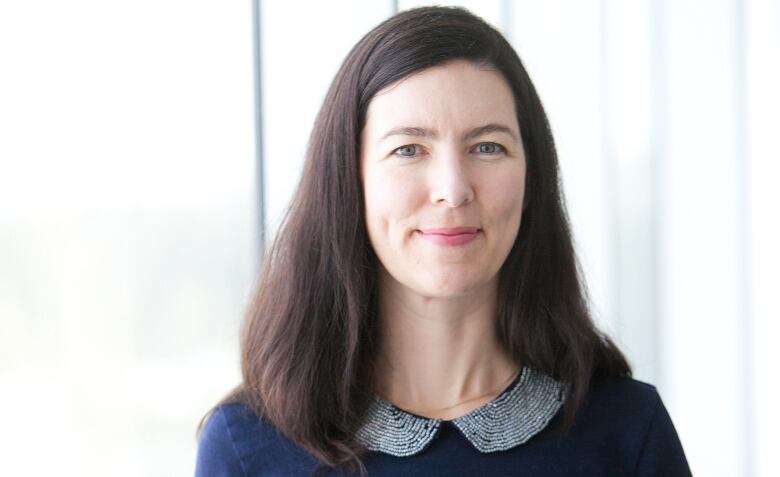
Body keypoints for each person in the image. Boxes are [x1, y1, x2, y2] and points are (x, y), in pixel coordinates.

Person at [195, 6, 691, 477]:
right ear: (348, 181)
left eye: (488, 147)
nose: (453, 189)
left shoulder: (627, 431)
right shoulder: (247, 446)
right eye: (408, 149)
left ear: (531, 180)